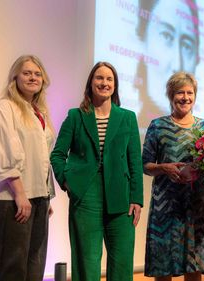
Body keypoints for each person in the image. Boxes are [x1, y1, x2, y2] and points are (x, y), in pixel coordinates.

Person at [50, 62, 143, 281]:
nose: (104, 83)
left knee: (122, 262)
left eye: (109, 79)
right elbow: (57, 154)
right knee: (87, 261)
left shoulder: (127, 117)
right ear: (91, 83)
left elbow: (135, 162)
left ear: (115, 85)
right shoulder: (75, 116)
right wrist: (66, 182)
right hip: (85, 194)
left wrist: (137, 198)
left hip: (121, 195)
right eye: (99, 78)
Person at [0, 55, 55, 281]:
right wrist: (21, 193)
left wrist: (44, 195)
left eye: (37, 73)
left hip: (37, 198)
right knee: (9, 267)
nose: (33, 77)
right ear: (15, 77)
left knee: (33, 266)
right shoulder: (5, 108)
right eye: (27, 73)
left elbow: (42, 159)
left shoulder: (38, 113)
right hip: (10, 199)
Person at [142, 71, 204, 281]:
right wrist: (164, 167)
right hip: (165, 204)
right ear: (170, 95)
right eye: (179, 93)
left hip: (196, 203)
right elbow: (145, 165)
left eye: (190, 93)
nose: (185, 97)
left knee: (194, 265)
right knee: (163, 265)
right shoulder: (157, 125)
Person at [135, 0, 200, 127]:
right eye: (166, 36)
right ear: (143, 42)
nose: (177, 64)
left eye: (187, 46)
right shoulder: (154, 127)